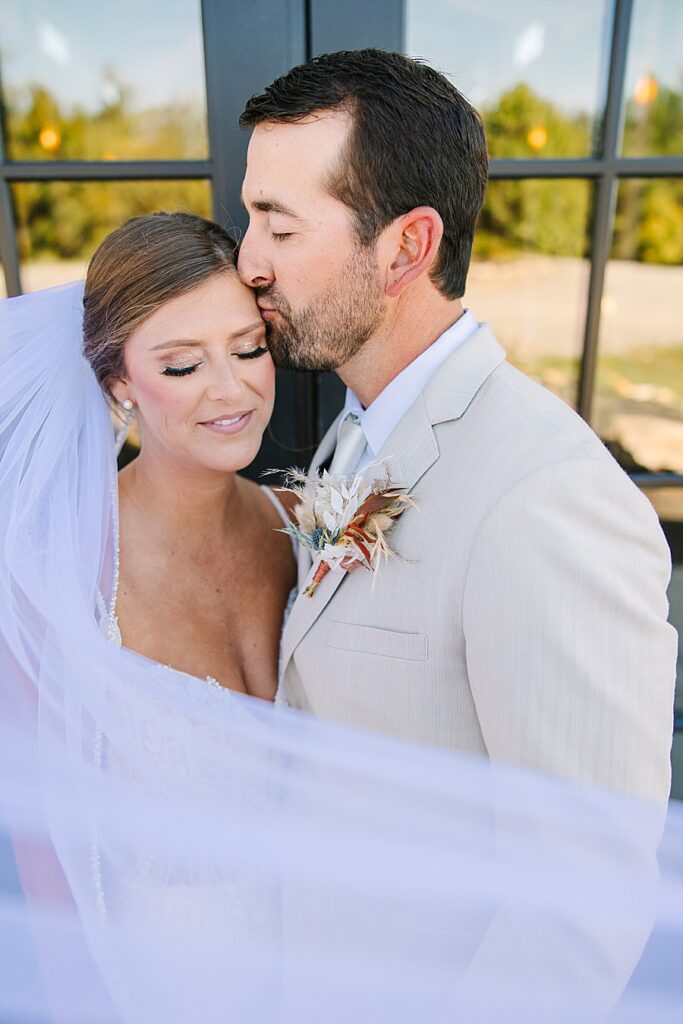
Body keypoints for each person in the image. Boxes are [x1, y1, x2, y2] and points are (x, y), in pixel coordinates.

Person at [238, 48, 677, 803]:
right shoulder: (354, 430)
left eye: (279, 229)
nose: (248, 262)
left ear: (406, 248)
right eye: (251, 219)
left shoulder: (548, 500)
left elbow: (580, 897)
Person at [84, 212, 295, 695]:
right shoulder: (68, 562)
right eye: (183, 366)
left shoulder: (302, 525)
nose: (230, 389)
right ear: (120, 383)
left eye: (248, 349)